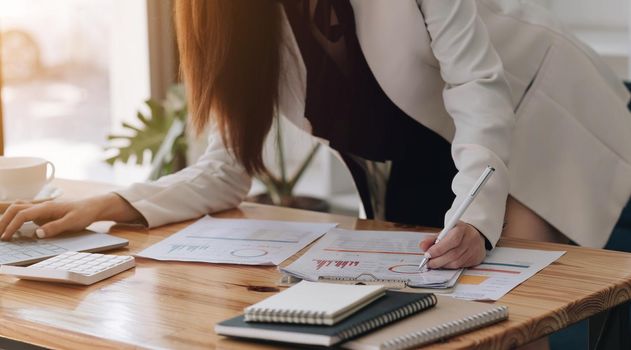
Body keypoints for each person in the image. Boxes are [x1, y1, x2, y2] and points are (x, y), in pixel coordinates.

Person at [1, 0, 630, 274]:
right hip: (427, 146)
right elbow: (226, 170)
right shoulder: (235, 20)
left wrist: (475, 213)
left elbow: (477, 86)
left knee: (509, 307)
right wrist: (109, 205)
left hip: (539, 112)